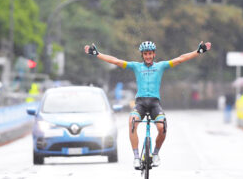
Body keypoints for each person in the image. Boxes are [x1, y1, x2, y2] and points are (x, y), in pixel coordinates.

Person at [84, 40, 212, 169]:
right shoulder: (136, 66)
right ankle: (136, 157)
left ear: (154, 54)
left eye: (150, 54)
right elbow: (116, 61)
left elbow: (180, 59)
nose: (148, 56)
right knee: (132, 122)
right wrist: (97, 54)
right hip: (140, 103)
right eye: (145, 54)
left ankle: (155, 153)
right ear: (142, 55)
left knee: (162, 127)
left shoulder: (161, 66)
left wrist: (198, 52)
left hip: (154, 103)